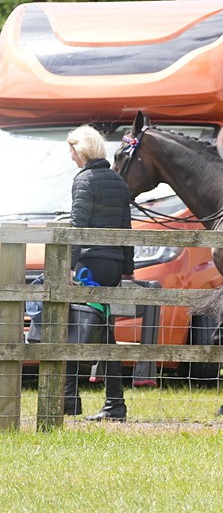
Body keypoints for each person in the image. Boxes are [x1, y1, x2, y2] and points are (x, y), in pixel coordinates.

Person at [66, 124, 135, 420]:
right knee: (107, 335)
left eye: (71, 150)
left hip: (89, 265)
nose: (70, 157)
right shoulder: (118, 182)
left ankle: (67, 400)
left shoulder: (84, 180)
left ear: (80, 150)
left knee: (69, 329)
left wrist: (68, 266)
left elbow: (77, 226)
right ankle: (114, 404)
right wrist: (127, 268)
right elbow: (126, 229)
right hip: (113, 267)